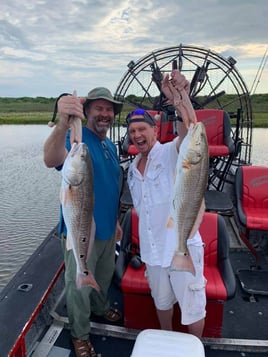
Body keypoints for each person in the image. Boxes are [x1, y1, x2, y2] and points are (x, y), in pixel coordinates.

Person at [126, 70, 206, 338]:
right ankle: (169, 342)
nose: (137, 135)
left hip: (181, 247)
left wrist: (180, 98)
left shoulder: (173, 152)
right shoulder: (132, 169)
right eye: (132, 131)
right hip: (153, 253)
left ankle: (195, 349)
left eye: (142, 129)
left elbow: (189, 133)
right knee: (161, 304)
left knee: (193, 308)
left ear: (155, 130)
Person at [43, 87, 123, 357]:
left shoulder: (110, 146)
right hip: (79, 228)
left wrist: (117, 222)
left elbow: (112, 187)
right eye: (98, 108)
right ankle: (80, 334)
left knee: (103, 274)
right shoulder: (75, 140)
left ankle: (100, 309)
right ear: (87, 111)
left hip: (108, 229)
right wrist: (64, 122)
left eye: (109, 109)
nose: (105, 114)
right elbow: (51, 158)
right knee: (78, 284)